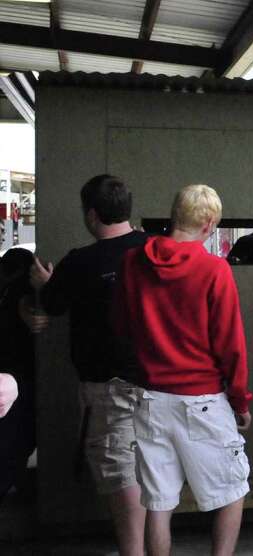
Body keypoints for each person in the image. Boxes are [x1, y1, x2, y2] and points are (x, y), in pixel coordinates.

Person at [114, 184, 252, 556]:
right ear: (209, 224)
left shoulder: (131, 262)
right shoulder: (213, 269)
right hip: (202, 400)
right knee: (233, 490)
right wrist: (240, 401)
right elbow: (231, 345)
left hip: (149, 399)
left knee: (159, 502)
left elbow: (123, 327)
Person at [30, 174, 148, 555]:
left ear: (92, 214)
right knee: (152, 468)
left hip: (109, 386)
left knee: (121, 469)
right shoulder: (156, 250)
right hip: (162, 381)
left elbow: (51, 305)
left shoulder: (79, 263)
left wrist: (42, 285)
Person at [0, 248, 45, 504]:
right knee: (18, 442)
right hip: (25, 379)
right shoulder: (21, 293)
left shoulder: (13, 293)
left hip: (16, 381)